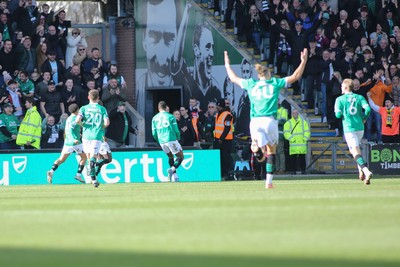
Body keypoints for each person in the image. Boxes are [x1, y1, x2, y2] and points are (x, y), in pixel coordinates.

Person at [224, 48, 308, 189]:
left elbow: (233, 78)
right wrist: (303, 61)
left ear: (259, 75)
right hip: (269, 121)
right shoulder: (274, 83)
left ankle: (255, 147)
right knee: (271, 150)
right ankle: (268, 182)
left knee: (261, 155)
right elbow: (295, 76)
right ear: (269, 74)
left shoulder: (251, 84)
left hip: (255, 122)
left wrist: (227, 64)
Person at [334, 78, 373, 185]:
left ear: (346, 87)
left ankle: (366, 170)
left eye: (342, 86)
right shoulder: (359, 97)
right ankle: (360, 170)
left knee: (355, 151)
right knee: (354, 150)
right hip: (360, 127)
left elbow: (337, 115)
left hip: (349, 128)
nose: (341, 87)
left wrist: (341, 113)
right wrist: (364, 118)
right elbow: (368, 109)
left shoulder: (339, 99)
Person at [75, 89, 110, 188]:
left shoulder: (83, 108)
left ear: (88, 97)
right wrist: (100, 127)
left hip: (86, 136)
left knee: (89, 157)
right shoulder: (102, 109)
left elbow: (77, 120)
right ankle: (93, 177)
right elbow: (107, 123)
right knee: (93, 157)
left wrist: (83, 125)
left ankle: (93, 179)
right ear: (98, 98)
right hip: (96, 136)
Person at [46, 103, 87, 184]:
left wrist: (77, 135)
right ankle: (78, 175)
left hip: (67, 142)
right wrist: (74, 138)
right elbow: (71, 130)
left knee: (61, 159)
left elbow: (68, 130)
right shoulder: (75, 118)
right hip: (75, 142)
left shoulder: (68, 119)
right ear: (77, 110)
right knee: (84, 157)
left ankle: (51, 171)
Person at [151, 100, 184, 182]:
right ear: (165, 108)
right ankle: (172, 169)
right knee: (180, 156)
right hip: (171, 139)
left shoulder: (154, 118)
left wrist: (159, 140)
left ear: (158, 108)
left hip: (162, 141)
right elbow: (176, 130)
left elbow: (154, 133)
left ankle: (175, 176)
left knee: (170, 157)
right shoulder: (171, 117)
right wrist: (178, 137)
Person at [283, 109, 310, 175]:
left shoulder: (304, 122)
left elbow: (307, 132)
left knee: (302, 158)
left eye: (296, 113)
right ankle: (293, 171)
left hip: (301, 144)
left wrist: (304, 139)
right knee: (293, 159)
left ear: (298, 114)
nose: (295, 114)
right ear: (292, 114)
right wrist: (292, 139)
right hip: (294, 144)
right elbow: (286, 133)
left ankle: (303, 170)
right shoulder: (288, 123)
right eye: (294, 113)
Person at [213, 98, 234, 179]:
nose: (216, 107)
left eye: (217, 105)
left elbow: (227, 128)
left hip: (226, 141)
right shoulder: (218, 114)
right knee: (220, 158)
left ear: (220, 106)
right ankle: (221, 173)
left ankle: (228, 173)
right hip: (218, 140)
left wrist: (221, 139)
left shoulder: (227, 115)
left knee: (226, 158)